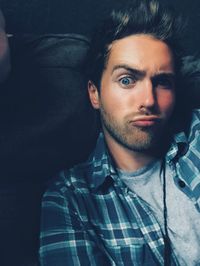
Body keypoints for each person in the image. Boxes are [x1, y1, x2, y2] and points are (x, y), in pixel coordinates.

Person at [39, 0, 200, 265]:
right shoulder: (71, 198)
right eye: (127, 80)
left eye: (162, 82)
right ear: (95, 93)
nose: (148, 100)